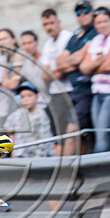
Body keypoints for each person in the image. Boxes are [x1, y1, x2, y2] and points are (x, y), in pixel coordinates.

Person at [80, 7, 110, 152]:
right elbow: (83, 68)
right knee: (100, 133)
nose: (102, 25)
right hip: (97, 92)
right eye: (98, 22)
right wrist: (96, 63)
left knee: (103, 135)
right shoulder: (96, 40)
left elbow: (109, 66)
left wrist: (92, 67)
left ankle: (97, 167)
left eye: (104, 21)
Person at [57, 0, 98, 138]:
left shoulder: (96, 31)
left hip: (88, 90)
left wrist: (75, 60)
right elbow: (60, 64)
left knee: (74, 131)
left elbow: (83, 62)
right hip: (74, 91)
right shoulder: (74, 36)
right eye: (78, 12)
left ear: (92, 12)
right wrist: (76, 60)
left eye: (85, 11)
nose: (82, 15)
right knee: (77, 134)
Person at [39, 8, 76, 153]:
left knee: (70, 131)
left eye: (51, 23)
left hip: (69, 89)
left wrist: (56, 72)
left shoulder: (67, 38)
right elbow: (45, 75)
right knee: (59, 133)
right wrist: (58, 71)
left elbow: (67, 67)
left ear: (58, 22)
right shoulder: (48, 44)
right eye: (45, 24)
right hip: (55, 92)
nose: (49, 27)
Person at [4, 83, 54, 157]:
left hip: (38, 156)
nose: (26, 99)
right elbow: (9, 130)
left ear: (36, 97)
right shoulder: (15, 115)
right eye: (22, 97)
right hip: (20, 156)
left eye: (29, 96)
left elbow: (44, 139)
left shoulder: (41, 115)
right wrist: (13, 150)